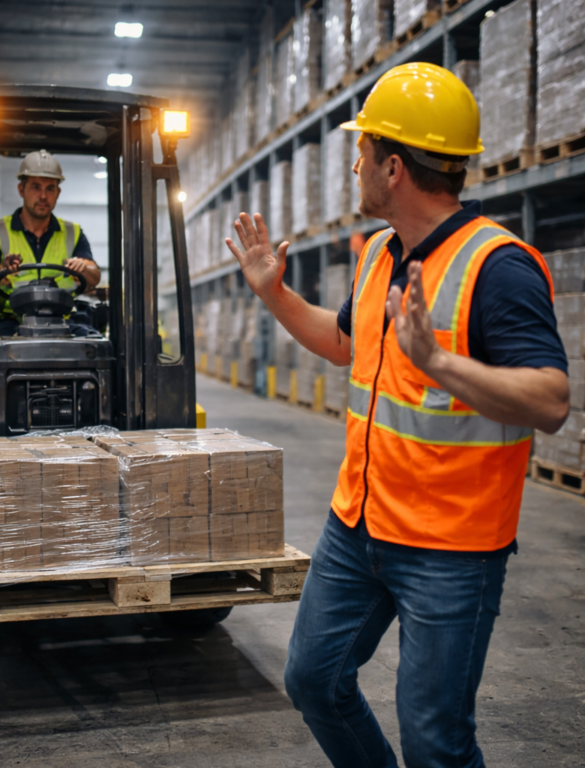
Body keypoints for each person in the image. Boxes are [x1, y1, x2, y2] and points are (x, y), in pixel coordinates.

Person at [225, 62, 569, 768]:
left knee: (434, 739)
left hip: (450, 548)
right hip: (359, 527)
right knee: (313, 681)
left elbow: (552, 401)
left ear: (392, 169)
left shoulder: (497, 267)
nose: (351, 167)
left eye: (361, 153)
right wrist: (273, 294)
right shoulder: (383, 253)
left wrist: (441, 362)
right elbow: (348, 344)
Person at [0, 149, 102, 336]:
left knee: (96, 346)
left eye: (50, 189)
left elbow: (94, 276)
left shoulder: (73, 233)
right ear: (21, 189)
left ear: (58, 192)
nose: (43, 196)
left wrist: (83, 268)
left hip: (63, 320)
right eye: (36, 187)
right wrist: (1, 270)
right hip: (12, 320)